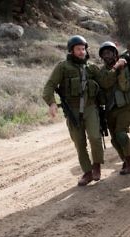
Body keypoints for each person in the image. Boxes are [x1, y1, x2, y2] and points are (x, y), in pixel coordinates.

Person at [43, 35, 104, 186]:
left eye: (83, 49)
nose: (82, 52)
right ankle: (87, 172)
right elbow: (49, 86)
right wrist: (51, 103)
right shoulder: (63, 67)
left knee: (95, 138)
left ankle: (96, 165)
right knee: (79, 143)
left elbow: (105, 82)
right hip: (73, 110)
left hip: (90, 108)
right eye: (78, 49)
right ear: (71, 51)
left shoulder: (91, 67)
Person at [98, 41, 130, 175]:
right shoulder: (102, 71)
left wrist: (121, 68)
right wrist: (116, 67)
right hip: (109, 110)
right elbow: (105, 82)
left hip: (124, 108)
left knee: (121, 134)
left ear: (115, 53)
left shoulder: (124, 66)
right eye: (104, 54)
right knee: (114, 140)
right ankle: (125, 160)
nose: (107, 56)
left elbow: (125, 86)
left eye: (109, 52)